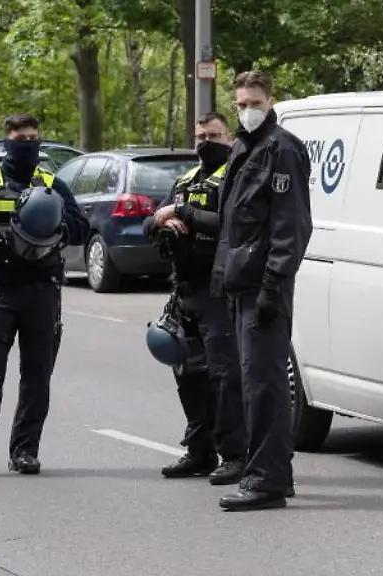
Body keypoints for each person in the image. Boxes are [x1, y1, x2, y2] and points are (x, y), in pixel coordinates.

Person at [0, 113, 89, 480]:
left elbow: (82, 229)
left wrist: (55, 219)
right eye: (20, 137)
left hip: (42, 291)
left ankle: (25, 451)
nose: (27, 143)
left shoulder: (51, 184)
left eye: (32, 137)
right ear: (6, 142)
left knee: (37, 376)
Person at [212, 70, 312, 511]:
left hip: (264, 287)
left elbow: (291, 227)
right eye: (240, 104)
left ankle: (266, 480)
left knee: (265, 385)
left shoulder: (282, 149)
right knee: (252, 383)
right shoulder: (242, 148)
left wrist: (274, 284)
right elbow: (232, 223)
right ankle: (269, 473)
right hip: (241, 285)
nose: (246, 110)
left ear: (271, 100)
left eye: (254, 102)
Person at [143, 111, 247, 486]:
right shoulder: (186, 179)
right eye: (200, 135)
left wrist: (185, 213)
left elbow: (229, 225)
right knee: (189, 375)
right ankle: (199, 450)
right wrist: (163, 221)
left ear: (228, 137)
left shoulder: (234, 176)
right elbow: (149, 221)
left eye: (214, 135)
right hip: (184, 290)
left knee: (224, 375)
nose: (206, 142)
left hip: (218, 289)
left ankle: (235, 454)